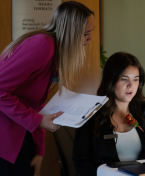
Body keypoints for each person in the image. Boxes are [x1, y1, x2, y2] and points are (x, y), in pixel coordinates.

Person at [0, 1, 95, 176]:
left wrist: (39, 150)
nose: (90, 39)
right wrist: (37, 121)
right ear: (70, 33)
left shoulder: (54, 53)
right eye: (86, 34)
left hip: (21, 133)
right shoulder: (43, 45)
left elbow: (37, 105)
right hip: (6, 137)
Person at [72, 52, 145, 176]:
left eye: (135, 79)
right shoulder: (91, 114)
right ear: (110, 80)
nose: (131, 85)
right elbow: (80, 161)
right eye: (124, 79)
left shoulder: (143, 109)